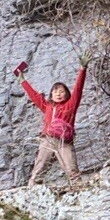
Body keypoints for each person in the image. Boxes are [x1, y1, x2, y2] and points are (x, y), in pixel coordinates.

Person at [15, 58, 87, 190]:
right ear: (51, 94)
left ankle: (79, 190)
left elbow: (78, 89)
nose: (58, 94)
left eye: (62, 92)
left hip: (64, 142)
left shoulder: (70, 105)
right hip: (48, 140)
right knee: (40, 167)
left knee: (72, 169)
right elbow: (34, 96)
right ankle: (32, 190)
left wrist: (82, 69)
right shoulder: (47, 106)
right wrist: (22, 81)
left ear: (67, 95)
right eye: (55, 91)